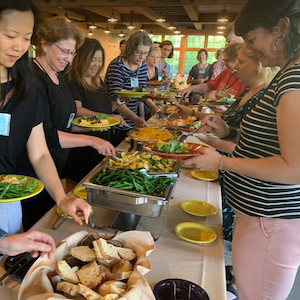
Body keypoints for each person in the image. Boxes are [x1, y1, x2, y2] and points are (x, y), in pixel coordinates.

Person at [184, 0, 300, 299]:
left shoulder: (293, 80)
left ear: (282, 29)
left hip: (270, 222)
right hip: (261, 220)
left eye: (252, 40)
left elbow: (294, 168)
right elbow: (270, 142)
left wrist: (222, 162)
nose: (247, 50)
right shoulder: (287, 74)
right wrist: (230, 132)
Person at [0, 0, 91, 253]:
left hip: (8, 201)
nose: (19, 46)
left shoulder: (26, 87)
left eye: (25, 37)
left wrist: (62, 198)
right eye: (9, 35)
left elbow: (39, 152)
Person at [18, 16, 114, 229]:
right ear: (44, 43)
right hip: (31, 170)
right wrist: (89, 139)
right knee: (34, 224)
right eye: (64, 51)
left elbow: (63, 121)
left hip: (55, 165)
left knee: (46, 219)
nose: (68, 59)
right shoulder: (33, 78)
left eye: (72, 53)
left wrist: (87, 128)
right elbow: (47, 136)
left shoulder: (58, 76)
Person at [64, 38, 125, 182]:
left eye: (99, 60)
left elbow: (105, 108)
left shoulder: (98, 80)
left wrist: (122, 100)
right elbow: (78, 110)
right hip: (83, 149)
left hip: (102, 143)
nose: (96, 64)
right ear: (81, 58)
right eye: (92, 59)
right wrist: (106, 117)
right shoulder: (73, 81)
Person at [105, 31, 153, 146]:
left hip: (133, 120)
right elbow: (116, 100)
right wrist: (135, 119)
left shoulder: (143, 66)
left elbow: (141, 95)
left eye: (145, 53)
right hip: (115, 122)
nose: (141, 57)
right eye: (138, 52)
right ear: (130, 49)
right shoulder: (117, 66)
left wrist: (141, 117)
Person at [179, 43, 246, 119]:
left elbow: (239, 114)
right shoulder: (226, 73)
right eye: (224, 61)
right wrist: (191, 88)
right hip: (218, 117)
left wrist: (225, 110)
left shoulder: (246, 81)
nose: (224, 64)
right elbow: (209, 86)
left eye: (227, 61)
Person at [144, 48, 160, 120]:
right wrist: (155, 106)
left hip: (150, 102)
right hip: (141, 102)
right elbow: (142, 92)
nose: (155, 59)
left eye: (157, 57)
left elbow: (154, 88)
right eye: (152, 57)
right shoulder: (142, 69)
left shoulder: (156, 70)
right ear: (147, 57)